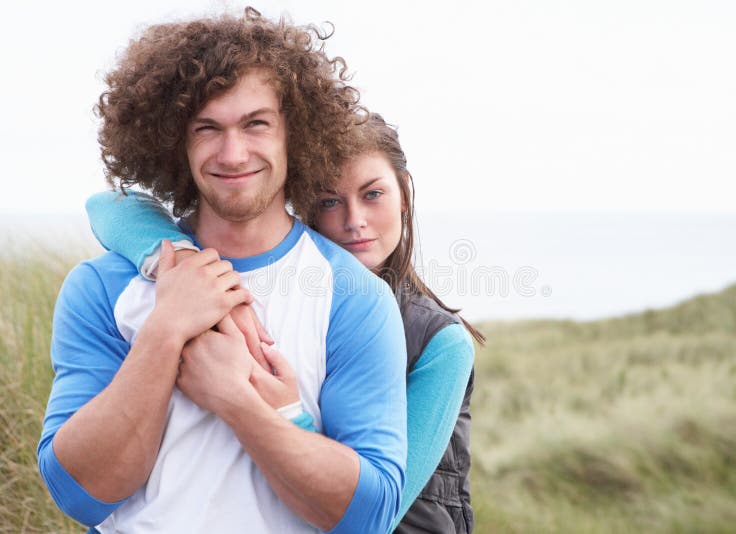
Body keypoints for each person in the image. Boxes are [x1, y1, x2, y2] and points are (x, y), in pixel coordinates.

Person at [37, 9, 408, 534]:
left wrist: (236, 400)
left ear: (292, 134)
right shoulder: (101, 287)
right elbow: (80, 496)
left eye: (256, 124)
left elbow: (369, 517)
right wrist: (165, 333)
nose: (233, 154)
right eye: (206, 129)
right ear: (175, 143)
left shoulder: (354, 297)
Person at [86, 113, 485, 532]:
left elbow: (374, 518)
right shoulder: (303, 296)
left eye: (373, 194)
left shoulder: (442, 344)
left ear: (403, 195)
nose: (354, 220)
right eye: (329, 201)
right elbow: (108, 204)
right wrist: (184, 263)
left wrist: (285, 413)